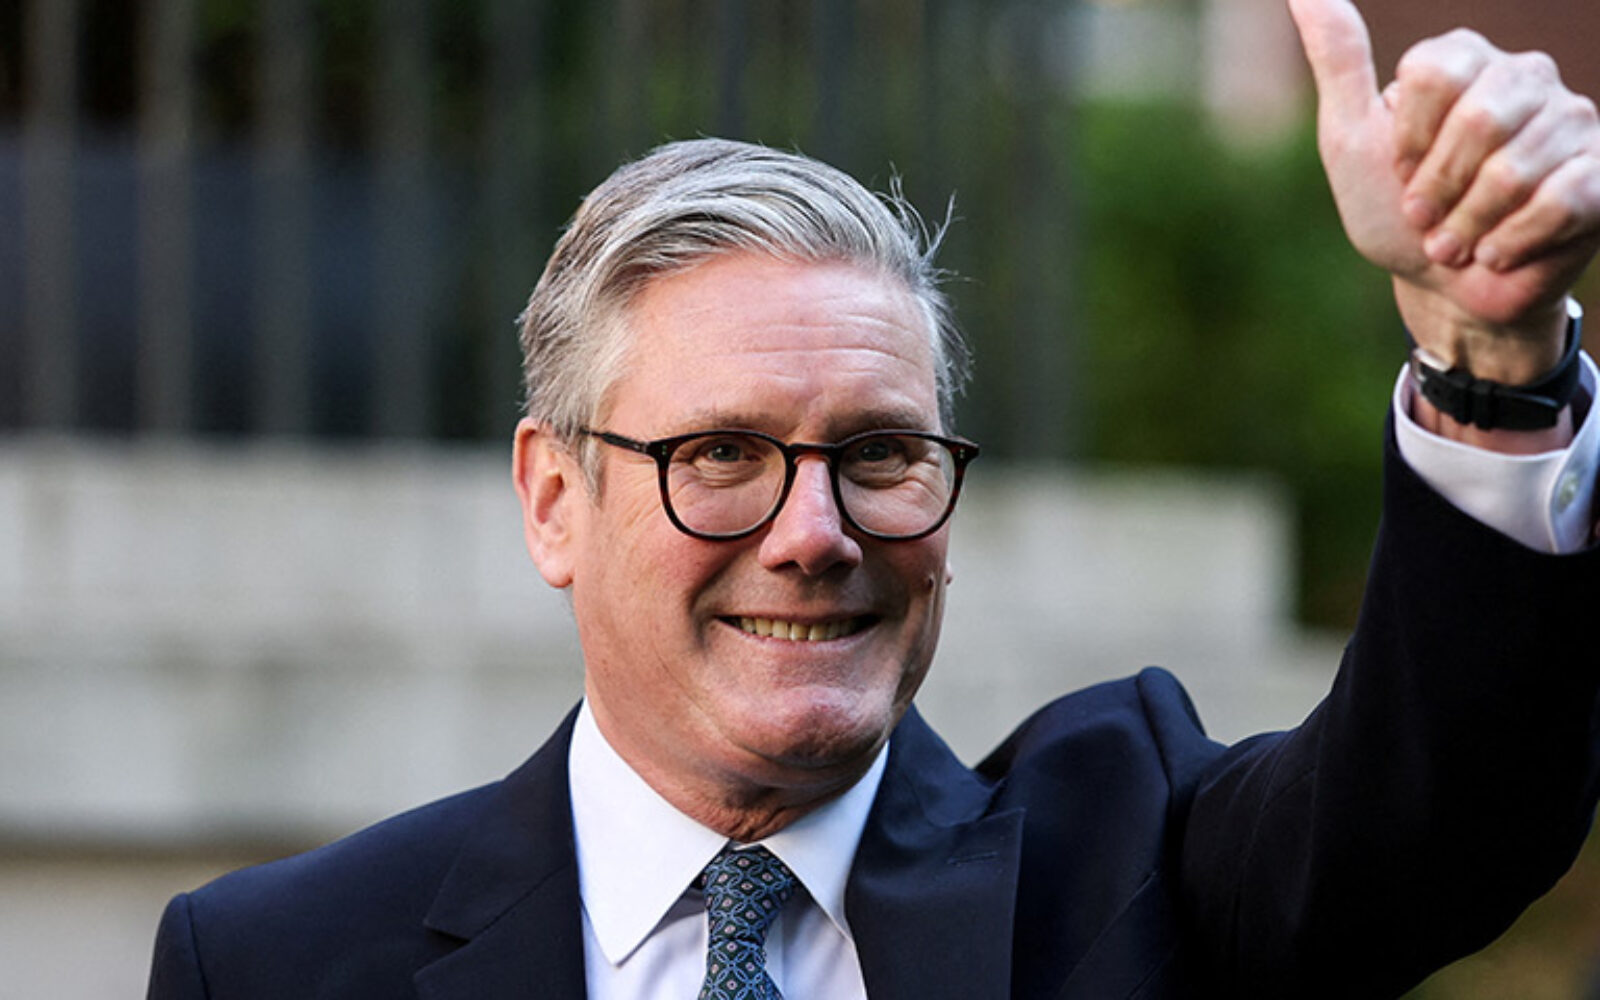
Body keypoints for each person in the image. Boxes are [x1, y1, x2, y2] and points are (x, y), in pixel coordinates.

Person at [146, 0, 1600, 996]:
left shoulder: (1132, 866)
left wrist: (1490, 367)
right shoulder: (278, 962)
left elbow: (1439, 815)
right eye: (722, 454)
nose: (815, 534)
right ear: (553, 500)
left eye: (879, 454)